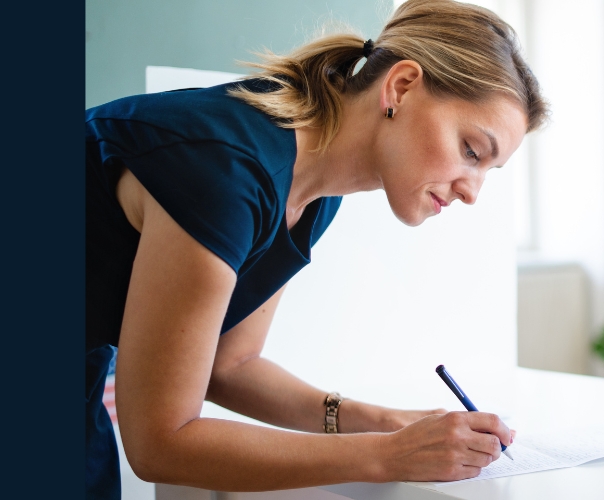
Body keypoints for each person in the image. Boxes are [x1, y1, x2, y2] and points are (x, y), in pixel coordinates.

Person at [84, 0, 548, 497]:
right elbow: (160, 443)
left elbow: (230, 365)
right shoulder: (229, 172)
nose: (471, 191)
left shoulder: (315, 193)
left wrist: (382, 421)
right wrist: (390, 455)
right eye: (472, 151)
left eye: (487, 171)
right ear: (401, 87)